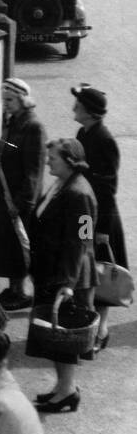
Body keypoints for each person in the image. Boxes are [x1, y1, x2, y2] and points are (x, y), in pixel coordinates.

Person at [28, 138, 98, 413]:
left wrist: (68, 283)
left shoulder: (79, 193)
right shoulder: (62, 184)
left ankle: (68, 391)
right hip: (53, 272)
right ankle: (61, 387)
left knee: (65, 334)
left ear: (70, 161)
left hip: (69, 276)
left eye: (53, 158)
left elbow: (81, 241)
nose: (47, 162)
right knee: (54, 334)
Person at [0, 78, 45, 311]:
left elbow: (34, 169)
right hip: (4, 194)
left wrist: (24, 202)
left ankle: (21, 291)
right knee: (7, 245)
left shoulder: (33, 126)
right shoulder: (14, 122)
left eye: (9, 100)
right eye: (3, 100)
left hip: (18, 199)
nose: (5, 104)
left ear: (22, 99)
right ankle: (13, 287)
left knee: (19, 246)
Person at [73, 85, 125, 351]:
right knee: (86, 268)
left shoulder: (104, 140)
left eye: (78, 105)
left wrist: (103, 227)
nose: (74, 108)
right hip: (85, 215)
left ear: (91, 113)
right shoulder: (83, 132)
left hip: (102, 219)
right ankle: (88, 323)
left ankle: (101, 330)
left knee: (101, 274)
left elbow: (108, 187)